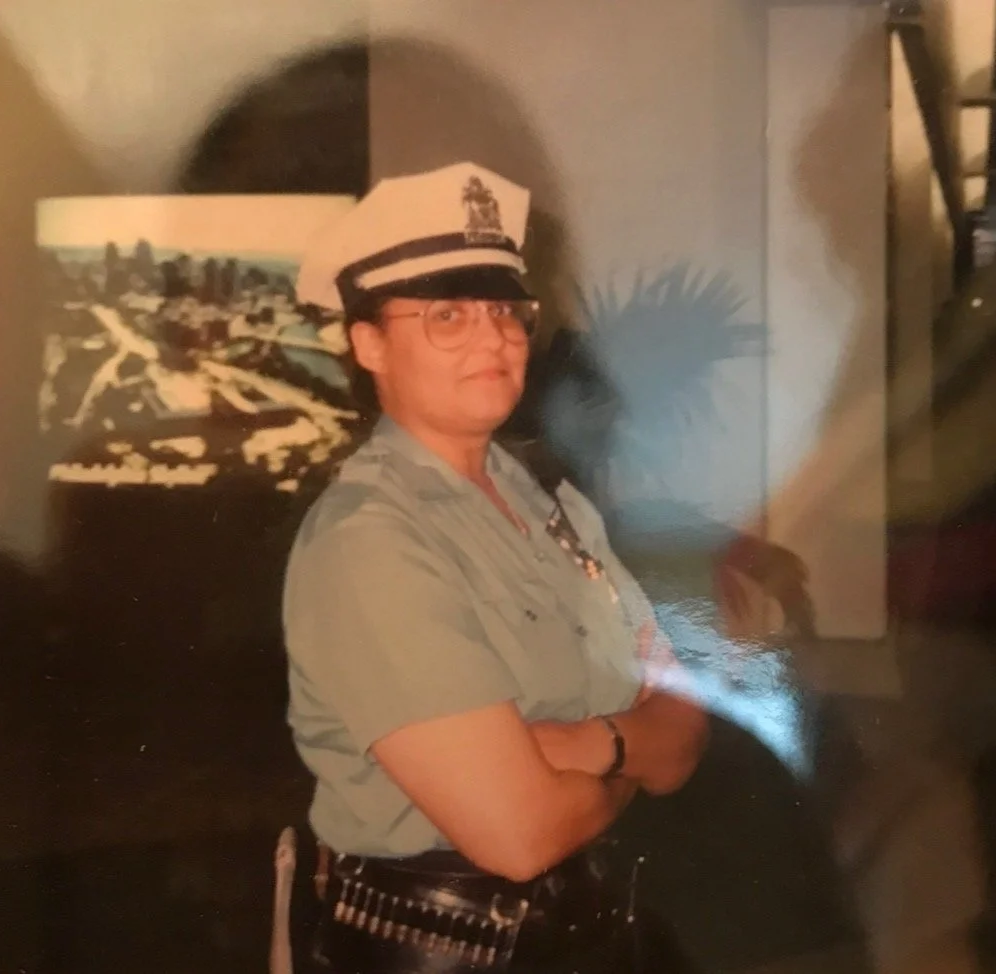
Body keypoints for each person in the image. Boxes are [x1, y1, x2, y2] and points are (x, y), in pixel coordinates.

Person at [282, 161, 709, 973]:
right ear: (367, 342)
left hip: (583, 932)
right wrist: (626, 746)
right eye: (446, 314)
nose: (494, 338)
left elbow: (685, 732)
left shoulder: (546, 497)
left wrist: (576, 747)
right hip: (441, 949)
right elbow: (521, 833)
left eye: (504, 311)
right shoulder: (369, 542)